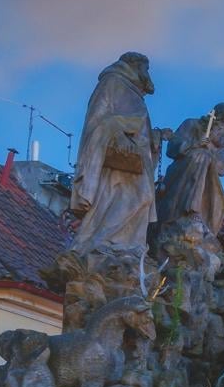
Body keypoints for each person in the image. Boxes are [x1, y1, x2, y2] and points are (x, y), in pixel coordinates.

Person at [65, 53, 159, 259]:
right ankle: (104, 242)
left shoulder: (132, 91)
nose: (147, 74)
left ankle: (127, 245)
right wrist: (119, 130)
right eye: (146, 68)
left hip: (137, 158)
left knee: (140, 198)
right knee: (119, 198)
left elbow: (140, 126)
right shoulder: (113, 82)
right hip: (118, 158)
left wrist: (155, 137)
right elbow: (98, 119)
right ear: (135, 66)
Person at [155, 101, 224, 239]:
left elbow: (222, 168)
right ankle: (192, 210)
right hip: (181, 172)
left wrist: (211, 151)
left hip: (209, 180)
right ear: (216, 117)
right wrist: (195, 144)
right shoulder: (192, 125)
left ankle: (200, 216)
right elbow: (172, 149)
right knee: (200, 156)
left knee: (222, 201)